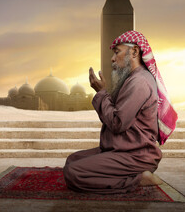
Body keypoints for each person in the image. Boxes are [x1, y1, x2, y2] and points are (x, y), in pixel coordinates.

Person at [63, 30, 177, 194]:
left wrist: (101, 93)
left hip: (135, 155)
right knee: (72, 160)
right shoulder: (133, 79)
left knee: (73, 173)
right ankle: (126, 173)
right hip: (121, 150)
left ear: (135, 52)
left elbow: (117, 123)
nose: (112, 58)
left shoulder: (139, 82)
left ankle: (137, 180)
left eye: (117, 52)